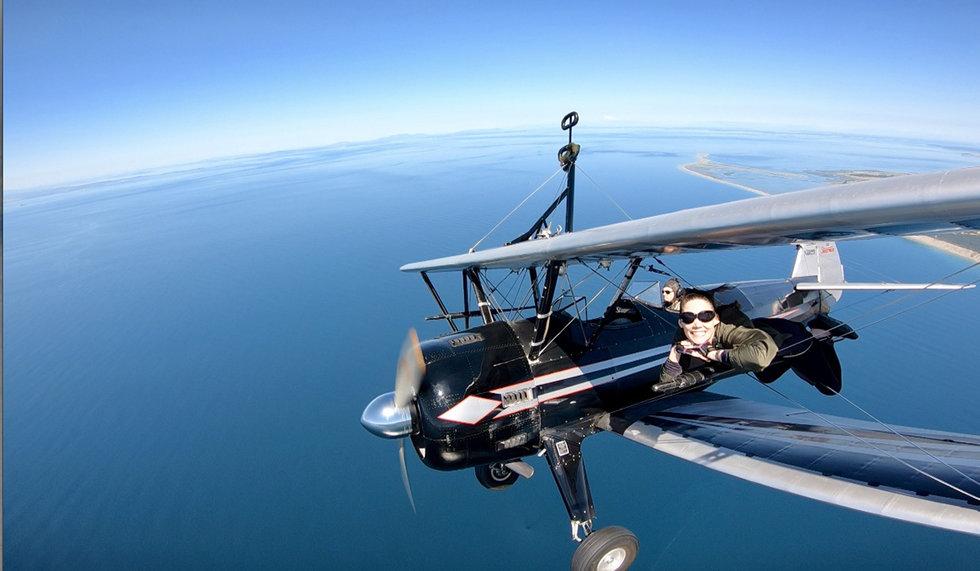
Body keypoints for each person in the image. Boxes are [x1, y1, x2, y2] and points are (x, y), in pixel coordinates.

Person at [654, 292, 777, 391]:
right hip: (740, 357)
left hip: (781, 341)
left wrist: (713, 353)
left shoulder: (728, 331)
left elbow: (759, 358)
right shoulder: (684, 334)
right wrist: (675, 352)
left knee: (767, 376)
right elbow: (666, 386)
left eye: (706, 316)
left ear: (716, 319)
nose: (697, 324)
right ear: (681, 322)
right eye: (688, 317)